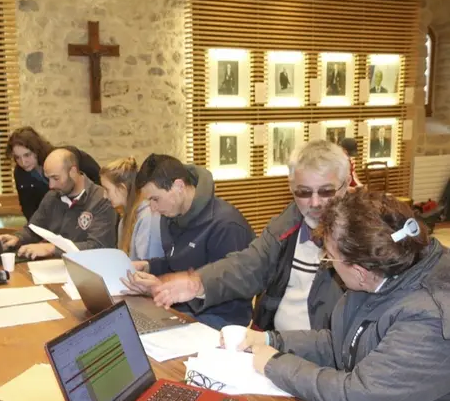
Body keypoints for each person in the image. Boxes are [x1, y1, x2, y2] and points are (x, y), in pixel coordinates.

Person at [232, 191, 450, 401]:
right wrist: (271, 340)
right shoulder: (382, 274)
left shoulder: (429, 319)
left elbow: (358, 398)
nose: (328, 263)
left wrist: (276, 365)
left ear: (359, 270)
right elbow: (342, 341)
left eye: (330, 257)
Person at [145, 140, 349, 332]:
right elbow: (248, 264)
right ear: (291, 188)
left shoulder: (363, 240)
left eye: (326, 192)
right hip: (271, 344)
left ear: (346, 184)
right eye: (304, 192)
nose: (315, 203)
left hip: (315, 357)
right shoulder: (287, 223)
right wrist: (198, 283)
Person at [121, 154, 255, 330]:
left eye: (155, 199)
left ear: (178, 186)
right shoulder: (171, 217)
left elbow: (230, 289)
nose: (152, 208)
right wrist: (148, 267)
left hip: (220, 319)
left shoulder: (226, 225)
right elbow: (177, 263)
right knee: (128, 324)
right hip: (181, 309)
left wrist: (164, 287)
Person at [0, 148, 117, 260]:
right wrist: (17, 238)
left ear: (72, 172)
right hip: (56, 268)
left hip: (89, 270)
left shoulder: (101, 200)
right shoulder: (52, 197)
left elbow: (98, 247)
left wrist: (52, 249)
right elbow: (34, 229)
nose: (51, 185)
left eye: (56, 178)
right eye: (48, 178)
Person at [6, 126, 102, 221]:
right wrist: (36, 231)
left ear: (37, 150)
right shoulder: (20, 173)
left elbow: (98, 178)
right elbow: (28, 207)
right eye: (17, 157)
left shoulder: (65, 156)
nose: (23, 162)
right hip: (56, 221)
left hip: (89, 212)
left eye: (27, 155)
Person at [99, 157, 163, 261]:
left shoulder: (148, 217)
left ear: (122, 189)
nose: (104, 196)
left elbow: (147, 268)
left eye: (107, 189)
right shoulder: (124, 218)